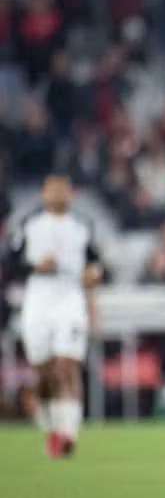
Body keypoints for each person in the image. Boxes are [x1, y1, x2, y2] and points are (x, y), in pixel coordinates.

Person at [8, 173, 101, 458]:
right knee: (44, 375)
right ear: (43, 192)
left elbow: (94, 265)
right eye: (53, 189)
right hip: (37, 302)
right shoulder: (28, 225)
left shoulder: (83, 226)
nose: (59, 194)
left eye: (64, 189)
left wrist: (92, 286)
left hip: (69, 301)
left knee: (67, 366)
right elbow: (10, 266)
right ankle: (52, 429)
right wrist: (36, 266)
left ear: (71, 194)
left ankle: (68, 434)